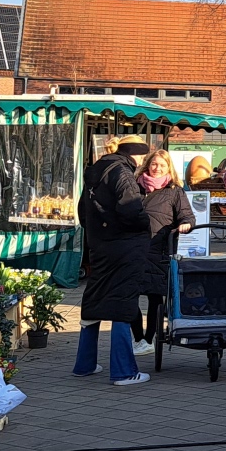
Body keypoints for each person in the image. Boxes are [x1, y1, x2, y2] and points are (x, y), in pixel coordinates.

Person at [75, 136, 151, 386]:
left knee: (94, 298)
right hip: (125, 247)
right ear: (137, 155)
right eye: (142, 158)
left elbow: (82, 211)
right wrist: (144, 226)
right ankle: (123, 371)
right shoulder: (123, 172)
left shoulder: (95, 170)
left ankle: (84, 365)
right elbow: (130, 208)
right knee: (123, 301)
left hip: (99, 245)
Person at [135, 151, 194, 356]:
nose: (157, 168)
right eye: (153, 164)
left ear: (168, 168)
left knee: (154, 298)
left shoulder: (174, 191)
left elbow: (186, 214)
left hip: (159, 251)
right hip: (134, 250)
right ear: (147, 165)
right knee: (130, 295)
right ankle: (137, 338)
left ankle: (150, 339)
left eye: (161, 165)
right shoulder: (136, 186)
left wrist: (186, 224)